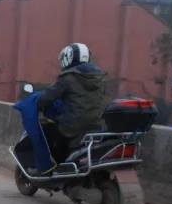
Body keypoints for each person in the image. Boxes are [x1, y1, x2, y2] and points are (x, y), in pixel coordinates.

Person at [22, 43, 109, 175]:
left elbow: (47, 97)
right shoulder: (100, 78)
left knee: (49, 135)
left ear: (69, 58)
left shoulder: (68, 78)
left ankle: (46, 169)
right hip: (96, 125)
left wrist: (37, 103)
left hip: (72, 126)